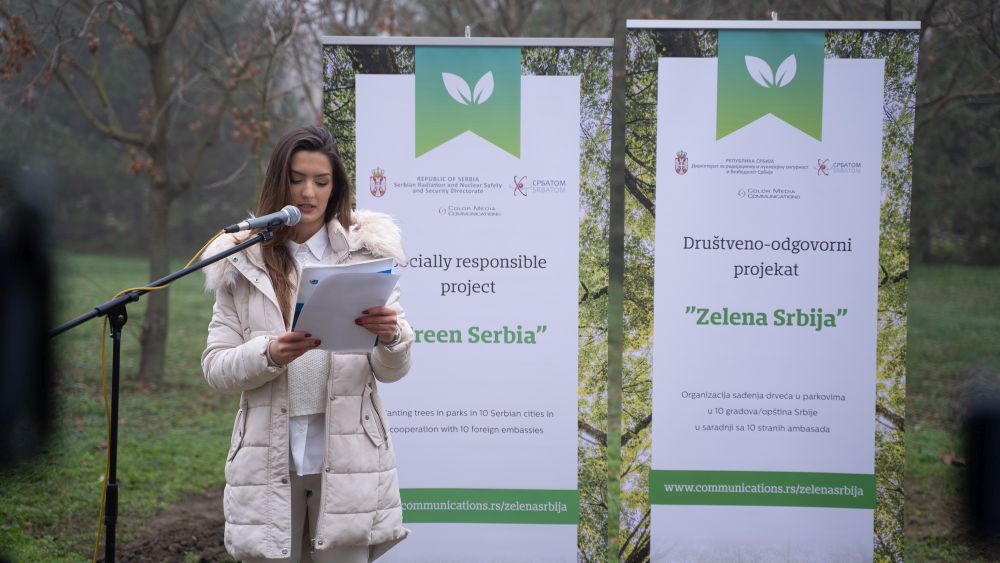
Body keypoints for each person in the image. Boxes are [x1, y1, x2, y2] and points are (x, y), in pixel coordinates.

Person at [201, 126, 412, 562]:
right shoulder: (240, 260)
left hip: (350, 453)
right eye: (296, 179)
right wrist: (268, 354)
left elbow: (393, 370)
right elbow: (216, 369)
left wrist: (391, 337)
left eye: (321, 181)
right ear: (278, 182)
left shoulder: (367, 252)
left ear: (336, 188)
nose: (308, 192)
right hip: (267, 454)